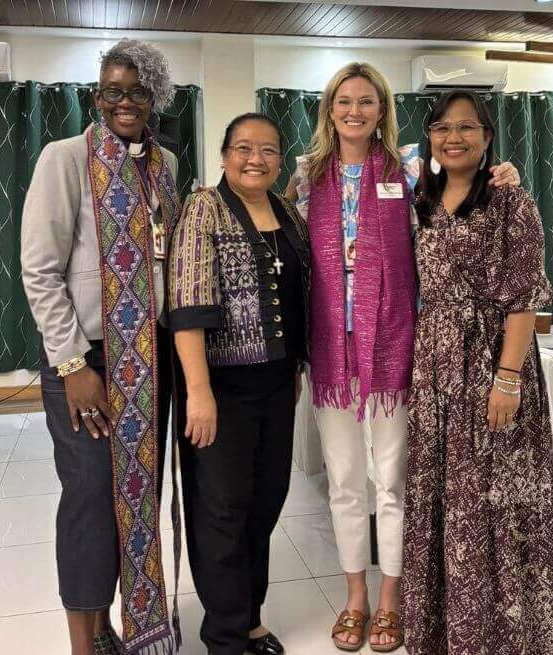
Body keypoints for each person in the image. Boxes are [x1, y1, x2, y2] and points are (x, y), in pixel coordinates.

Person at [284, 62, 520, 652]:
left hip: (395, 350)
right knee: (344, 482)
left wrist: (505, 175)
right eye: (345, 102)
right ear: (329, 110)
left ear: (383, 109)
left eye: (367, 101)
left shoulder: (411, 168)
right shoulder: (306, 176)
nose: (356, 111)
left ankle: (391, 598)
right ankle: (355, 597)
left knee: (391, 480)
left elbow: (466, 188)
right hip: (330, 351)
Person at [20, 39, 182, 655]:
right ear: (96, 96)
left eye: (137, 92)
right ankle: (81, 646)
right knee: (90, 501)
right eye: (113, 90)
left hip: (147, 360)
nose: (124, 102)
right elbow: (39, 270)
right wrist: (72, 365)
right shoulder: (64, 160)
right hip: (84, 360)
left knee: (136, 497)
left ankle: (118, 627)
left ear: (154, 100)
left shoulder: (163, 165)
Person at [401, 90, 553, 654]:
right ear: (428, 137)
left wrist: (507, 378)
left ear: (487, 136)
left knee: (495, 501)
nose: (454, 138)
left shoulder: (510, 201)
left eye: (467, 127)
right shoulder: (420, 201)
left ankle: (505, 637)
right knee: (444, 500)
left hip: (490, 365)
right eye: (442, 128)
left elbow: (523, 298)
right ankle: (449, 632)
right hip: (435, 371)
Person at [168, 113, 310, 655]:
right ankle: (225, 636)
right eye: (244, 148)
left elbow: (296, 298)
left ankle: (250, 619)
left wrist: (294, 367)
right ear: (224, 155)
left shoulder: (287, 212)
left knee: (266, 500)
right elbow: (187, 305)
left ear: (281, 159)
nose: (256, 159)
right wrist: (198, 392)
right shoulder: (203, 208)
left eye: (269, 150)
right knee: (222, 510)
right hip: (220, 387)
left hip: (277, 384)